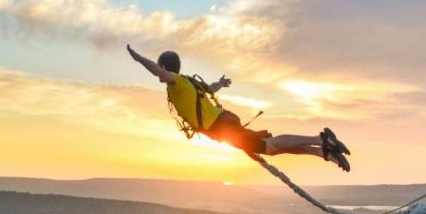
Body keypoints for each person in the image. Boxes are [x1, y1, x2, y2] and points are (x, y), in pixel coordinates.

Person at [126, 46, 351, 171]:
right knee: (269, 148)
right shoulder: (187, 82)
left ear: (165, 66)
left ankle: (320, 139)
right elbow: (210, 89)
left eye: (161, 68)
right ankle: (321, 151)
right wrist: (221, 84)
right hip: (224, 122)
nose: (160, 74)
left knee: (269, 145)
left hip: (220, 126)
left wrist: (138, 59)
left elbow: (158, 72)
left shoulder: (176, 83)